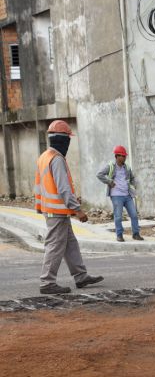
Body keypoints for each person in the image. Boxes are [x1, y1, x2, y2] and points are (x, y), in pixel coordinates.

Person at [34, 120, 104, 294]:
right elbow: (63, 188)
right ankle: (47, 282)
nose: (69, 144)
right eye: (68, 140)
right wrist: (77, 209)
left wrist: (39, 206)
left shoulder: (44, 156)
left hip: (53, 210)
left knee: (70, 244)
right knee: (55, 245)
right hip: (57, 211)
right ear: (63, 140)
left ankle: (80, 276)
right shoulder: (56, 159)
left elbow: (39, 186)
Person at [96, 145, 142, 242]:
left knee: (134, 215)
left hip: (127, 195)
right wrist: (109, 182)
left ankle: (136, 234)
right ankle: (119, 235)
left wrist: (134, 187)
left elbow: (132, 178)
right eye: (122, 156)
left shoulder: (127, 168)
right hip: (116, 195)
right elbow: (99, 174)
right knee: (118, 216)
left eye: (125, 156)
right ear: (117, 156)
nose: (124, 158)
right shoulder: (111, 167)